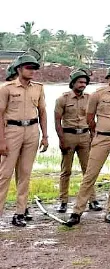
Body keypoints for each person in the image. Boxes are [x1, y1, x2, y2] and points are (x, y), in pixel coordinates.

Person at [65, 62, 110, 226]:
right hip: (102, 137)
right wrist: (99, 132)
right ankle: (77, 212)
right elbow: (90, 118)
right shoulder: (98, 94)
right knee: (90, 174)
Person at [0, 55, 49, 227]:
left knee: (25, 173)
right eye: (28, 67)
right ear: (19, 69)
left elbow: (42, 112)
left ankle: (20, 212)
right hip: (12, 130)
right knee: (4, 174)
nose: (32, 71)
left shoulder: (38, 88)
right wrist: (1, 140)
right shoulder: (7, 89)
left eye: (34, 68)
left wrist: (45, 136)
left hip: (32, 130)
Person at [54, 69, 93, 213]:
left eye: (85, 82)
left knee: (88, 170)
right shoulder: (62, 99)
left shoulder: (90, 98)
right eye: (80, 82)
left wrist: (93, 136)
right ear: (73, 83)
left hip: (84, 136)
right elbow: (57, 121)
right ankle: (63, 201)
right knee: (66, 171)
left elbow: (92, 119)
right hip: (68, 135)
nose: (83, 85)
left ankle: (92, 200)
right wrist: (61, 140)